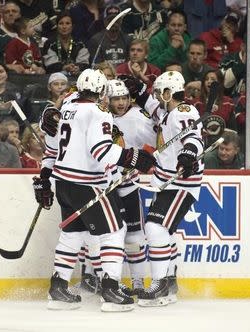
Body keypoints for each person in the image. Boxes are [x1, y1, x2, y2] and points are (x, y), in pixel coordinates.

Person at [34, 68, 155, 311]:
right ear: (102, 92)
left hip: (64, 183)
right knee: (114, 232)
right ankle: (110, 289)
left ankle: (58, 288)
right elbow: (101, 150)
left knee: (72, 235)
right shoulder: (98, 111)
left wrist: (45, 176)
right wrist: (132, 157)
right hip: (88, 184)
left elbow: (51, 140)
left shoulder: (67, 106)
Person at [128, 71, 204, 306]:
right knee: (164, 233)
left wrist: (188, 154)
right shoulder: (167, 111)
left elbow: (193, 137)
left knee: (155, 228)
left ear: (169, 93)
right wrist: (138, 90)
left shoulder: (183, 111)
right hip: (168, 182)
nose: (157, 96)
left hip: (181, 183)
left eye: (160, 92)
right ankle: (169, 284)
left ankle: (160, 285)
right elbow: (152, 107)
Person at [106, 79, 156, 297]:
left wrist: (146, 158)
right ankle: (103, 280)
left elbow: (159, 139)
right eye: (116, 98)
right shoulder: (98, 117)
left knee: (134, 236)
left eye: (125, 97)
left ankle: (137, 281)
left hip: (127, 186)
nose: (121, 102)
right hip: (104, 188)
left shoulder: (137, 117)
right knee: (103, 236)